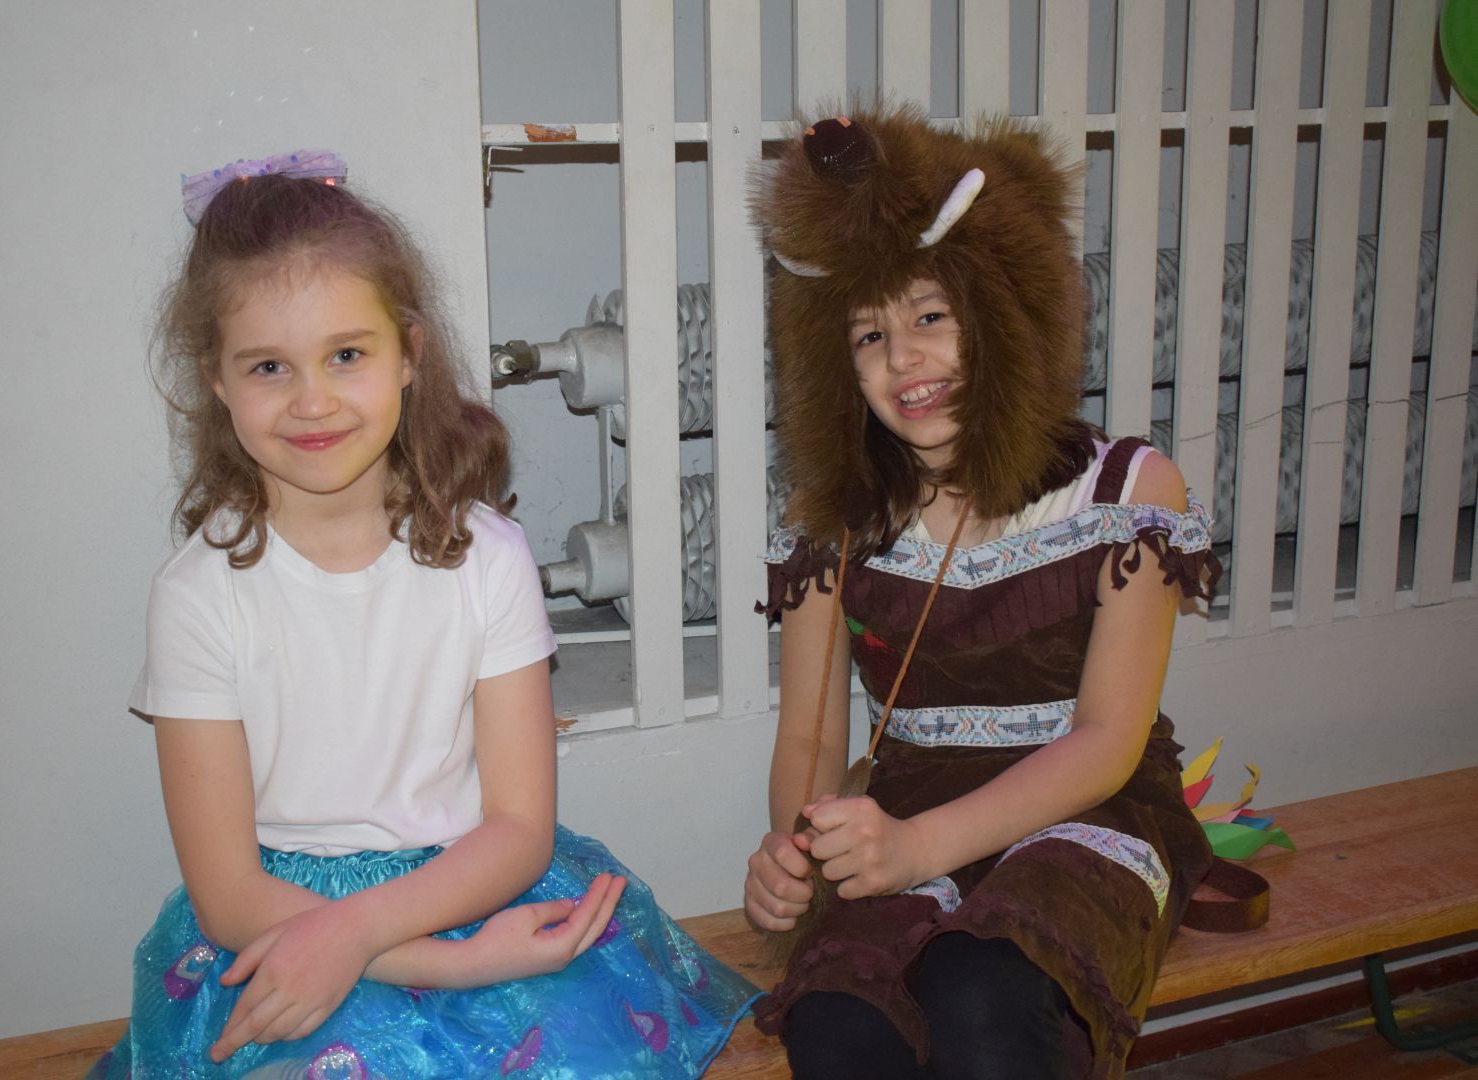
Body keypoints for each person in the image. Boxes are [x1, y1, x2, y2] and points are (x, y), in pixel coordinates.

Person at [90, 160, 757, 1079]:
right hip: (280, 924)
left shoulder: (488, 557)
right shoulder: (198, 594)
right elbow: (229, 894)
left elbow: (518, 828)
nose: (313, 399)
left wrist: (388, 937)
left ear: (408, 354)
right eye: (270, 366)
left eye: (347, 355)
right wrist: (435, 962)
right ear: (216, 379)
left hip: (468, 892)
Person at [741, 104, 1220, 1079]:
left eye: (930, 317)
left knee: (981, 985)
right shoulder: (833, 516)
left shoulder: (1126, 492)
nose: (902, 359)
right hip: (903, 813)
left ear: (1003, 315)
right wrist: (798, 848)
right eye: (868, 335)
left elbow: (1107, 741)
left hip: (1090, 814)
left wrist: (920, 848)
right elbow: (811, 741)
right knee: (836, 1024)